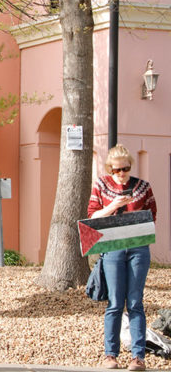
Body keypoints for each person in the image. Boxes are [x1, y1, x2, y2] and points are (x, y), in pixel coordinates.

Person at [88, 144, 157, 371]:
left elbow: (152, 215)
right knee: (115, 303)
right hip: (113, 247)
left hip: (138, 247)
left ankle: (138, 357)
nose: (121, 174)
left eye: (125, 169)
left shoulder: (143, 187)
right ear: (110, 169)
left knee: (135, 302)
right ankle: (110, 355)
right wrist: (114, 205)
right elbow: (92, 216)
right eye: (117, 170)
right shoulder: (101, 185)